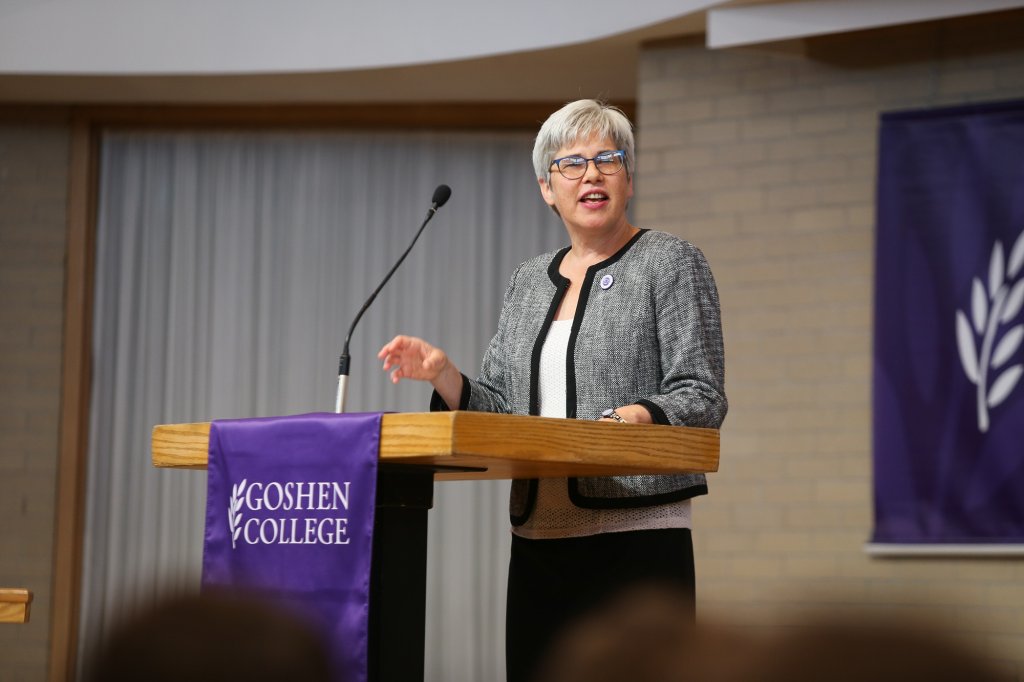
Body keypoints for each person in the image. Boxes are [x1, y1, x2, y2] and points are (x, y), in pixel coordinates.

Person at [378, 99, 727, 682]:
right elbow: (504, 410)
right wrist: (445, 375)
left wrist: (636, 417)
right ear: (547, 186)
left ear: (629, 178)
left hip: (636, 540)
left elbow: (702, 390)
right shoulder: (528, 280)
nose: (592, 174)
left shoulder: (669, 262)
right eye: (572, 164)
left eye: (607, 160)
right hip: (539, 538)